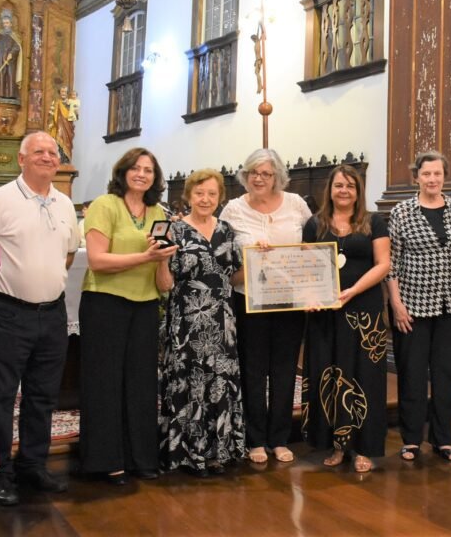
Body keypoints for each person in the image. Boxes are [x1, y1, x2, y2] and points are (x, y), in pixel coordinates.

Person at [0, 132, 80, 506]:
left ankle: (33, 465)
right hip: (8, 312)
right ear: (21, 159)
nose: (48, 157)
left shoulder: (65, 203)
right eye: (39, 152)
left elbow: (69, 253)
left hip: (52, 313)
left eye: (53, 152)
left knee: (43, 395)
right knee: (1, 397)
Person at [79, 148, 176, 485]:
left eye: (148, 170)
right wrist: (145, 256)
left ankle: (141, 457)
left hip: (145, 304)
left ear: (155, 177)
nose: (141, 174)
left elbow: (162, 273)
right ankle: (106, 460)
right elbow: (97, 261)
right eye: (135, 168)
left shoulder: (158, 211)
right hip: (105, 302)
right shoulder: (105, 205)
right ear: (122, 172)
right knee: (104, 383)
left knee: (141, 383)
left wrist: (162, 259)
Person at [220, 148, 312, 464]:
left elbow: (313, 247)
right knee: (253, 370)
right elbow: (222, 257)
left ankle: (280, 438)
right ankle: (255, 439)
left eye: (266, 173)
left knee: (285, 369)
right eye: (253, 173)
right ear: (245, 175)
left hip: (289, 300)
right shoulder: (233, 210)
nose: (258, 178)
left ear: (277, 177)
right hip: (248, 299)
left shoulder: (296, 205)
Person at [158, 169, 246, 477]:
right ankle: (186, 453)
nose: (205, 199)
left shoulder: (226, 230)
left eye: (211, 193)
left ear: (220, 197)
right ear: (188, 195)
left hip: (222, 320)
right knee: (189, 382)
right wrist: (160, 258)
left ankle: (217, 452)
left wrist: (259, 258)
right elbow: (164, 284)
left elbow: (236, 276)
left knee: (219, 382)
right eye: (199, 193)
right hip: (186, 321)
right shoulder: (174, 230)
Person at [302, 165, 390, 473]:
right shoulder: (314, 224)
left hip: (364, 311)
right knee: (330, 375)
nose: (344, 191)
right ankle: (338, 446)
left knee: (365, 377)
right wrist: (310, 297)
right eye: (339, 185)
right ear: (330, 189)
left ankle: (364, 447)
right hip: (325, 312)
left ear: (358, 191)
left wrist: (353, 291)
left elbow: (383, 264)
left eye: (350, 186)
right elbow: (305, 266)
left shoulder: (373, 221)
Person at [388, 151, 451, 463]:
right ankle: (411, 440)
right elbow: (391, 263)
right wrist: (396, 304)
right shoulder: (402, 211)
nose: (432, 179)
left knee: (446, 375)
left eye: (437, 174)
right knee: (412, 374)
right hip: (413, 306)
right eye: (426, 174)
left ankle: (443, 439)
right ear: (416, 177)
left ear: (444, 176)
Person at [48, 85, 77, 162]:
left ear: (67, 93)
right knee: (58, 142)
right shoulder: (55, 103)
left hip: (68, 127)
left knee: (67, 144)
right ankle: (59, 159)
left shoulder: (70, 103)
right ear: (59, 93)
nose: (63, 93)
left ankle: (66, 160)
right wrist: (51, 122)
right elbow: (51, 114)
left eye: (65, 92)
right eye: (62, 91)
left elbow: (75, 116)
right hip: (58, 126)